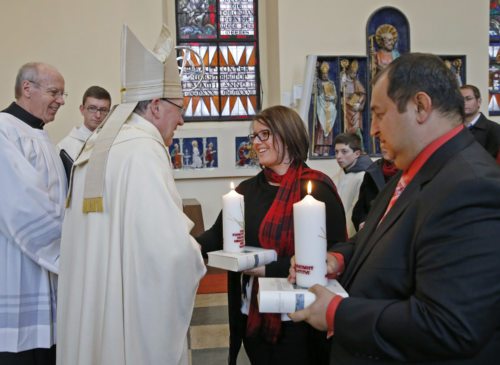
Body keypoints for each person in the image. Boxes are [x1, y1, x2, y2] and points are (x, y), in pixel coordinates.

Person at [289, 53, 500, 364]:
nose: (372, 129)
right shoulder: (412, 169)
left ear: (420, 106)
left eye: (378, 114)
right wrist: (337, 259)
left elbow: (448, 325)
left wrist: (336, 312)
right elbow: (375, 236)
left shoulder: (471, 185)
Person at [56, 25, 206, 365]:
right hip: (126, 322)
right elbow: (169, 254)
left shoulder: (96, 147)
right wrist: (194, 253)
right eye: (179, 108)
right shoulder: (143, 151)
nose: (182, 120)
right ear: (155, 106)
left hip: (92, 309)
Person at [196, 105, 347, 365]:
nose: (256, 143)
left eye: (264, 135)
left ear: (287, 135)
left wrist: (268, 269)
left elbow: (333, 254)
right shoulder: (247, 190)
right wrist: (185, 246)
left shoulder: (317, 189)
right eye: (254, 136)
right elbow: (217, 236)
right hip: (253, 313)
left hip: (300, 317)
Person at [0, 62, 67, 365]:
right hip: (18, 265)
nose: (61, 101)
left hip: (46, 264)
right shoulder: (4, 131)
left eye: (63, 94)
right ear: (27, 88)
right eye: (54, 92)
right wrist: (69, 248)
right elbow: (22, 202)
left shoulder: (41, 136)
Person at [333, 133, 373, 237]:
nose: (338, 156)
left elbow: (356, 213)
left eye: (344, 151)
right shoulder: (343, 171)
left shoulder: (364, 176)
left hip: (350, 235)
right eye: (336, 152)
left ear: (357, 154)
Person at [57, 85, 111, 160]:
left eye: (103, 110)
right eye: (92, 108)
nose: (98, 115)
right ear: (82, 110)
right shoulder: (65, 147)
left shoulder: (113, 142)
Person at [351, 150, 398, 231]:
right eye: (381, 140)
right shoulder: (372, 171)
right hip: (373, 233)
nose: (383, 145)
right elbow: (360, 209)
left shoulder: (410, 170)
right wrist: (363, 222)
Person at [460, 84, 500, 162]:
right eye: (460, 100)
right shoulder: (453, 128)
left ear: (479, 102)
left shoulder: (494, 129)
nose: (464, 103)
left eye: (468, 99)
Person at [314, 61, 337, 156]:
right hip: (321, 106)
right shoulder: (318, 82)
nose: (324, 75)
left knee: (328, 127)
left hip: (330, 108)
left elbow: (335, 96)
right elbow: (316, 94)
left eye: (326, 73)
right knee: (320, 127)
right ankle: (318, 149)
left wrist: (331, 98)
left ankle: (326, 150)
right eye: (323, 74)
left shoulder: (331, 84)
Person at [340, 60, 366, 139]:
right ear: (348, 71)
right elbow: (341, 91)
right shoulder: (344, 81)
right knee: (347, 125)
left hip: (354, 107)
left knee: (356, 126)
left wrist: (359, 103)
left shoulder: (356, 82)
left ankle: (359, 144)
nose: (354, 75)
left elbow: (363, 94)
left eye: (355, 73)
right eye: (352, 72)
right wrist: (342, 82)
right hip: (346, 106)